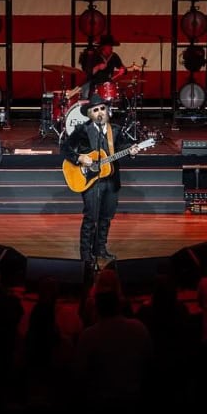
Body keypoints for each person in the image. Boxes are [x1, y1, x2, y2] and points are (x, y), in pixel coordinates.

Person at [60, 92, 135, 266]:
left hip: (112, 180)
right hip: (91, 180)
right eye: (96, 110)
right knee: (90, 218)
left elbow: (123, 146)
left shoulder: (114, 130)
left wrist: (131, 150)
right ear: (90, 114)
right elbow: (65, 148)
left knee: (106, 217)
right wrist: (79, 158)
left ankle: (100, 249)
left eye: (103, 108)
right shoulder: (82, 130)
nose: (100, 112)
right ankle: (85, 255)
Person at [79, 33, 126, 102]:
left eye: (111, 46)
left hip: (107, 85)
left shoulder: (113, 56)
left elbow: (123, 68)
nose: (111, 48)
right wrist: (98, 67)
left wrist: (123, 69)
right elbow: (88, 73)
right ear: (103, 47)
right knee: (88, 95)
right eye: (109, 46)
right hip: (93, 85)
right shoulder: (93, 56)